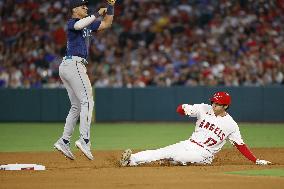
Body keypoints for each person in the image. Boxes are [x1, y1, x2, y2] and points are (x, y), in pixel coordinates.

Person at [120, 91, 271, 166]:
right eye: (213, 102)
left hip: (205, 154)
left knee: (178, 157)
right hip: (189, 143)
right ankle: (131, 160)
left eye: (218, 104)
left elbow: (240, 145)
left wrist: (256, 160)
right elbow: (180, 109)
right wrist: (184, 109)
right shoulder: (203, 108)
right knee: (162, 151)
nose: (214, 105)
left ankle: (173, 161)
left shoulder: (231, 124)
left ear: (226, 106)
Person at [54, 0, 116, 160]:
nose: (86, 7)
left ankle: (64, 141)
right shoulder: (72, 22)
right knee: (87, 101)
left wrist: (110, 6)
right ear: (74, 9)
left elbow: (107, 24)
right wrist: (96, 13)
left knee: (76, 106)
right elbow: (78, 26)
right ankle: (84, 140)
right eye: (83, 6)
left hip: (69, 65)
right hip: (73, 64)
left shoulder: (87, 24)